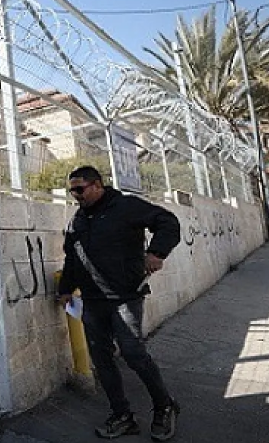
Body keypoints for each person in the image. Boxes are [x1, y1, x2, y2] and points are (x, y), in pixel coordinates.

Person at [56, 166, 181, 441]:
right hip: (92, 301)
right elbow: (72, 258)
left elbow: (167, 221)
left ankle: (165, 405)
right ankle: (122, 415)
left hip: (125, 297)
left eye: (80, 189)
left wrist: (157, 252)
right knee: (101, 359)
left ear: (97, 185)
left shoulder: (125, 207)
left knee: (133, 353)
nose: (76, 195)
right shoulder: (78, 221)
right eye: (72, 191)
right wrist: (65, 289)